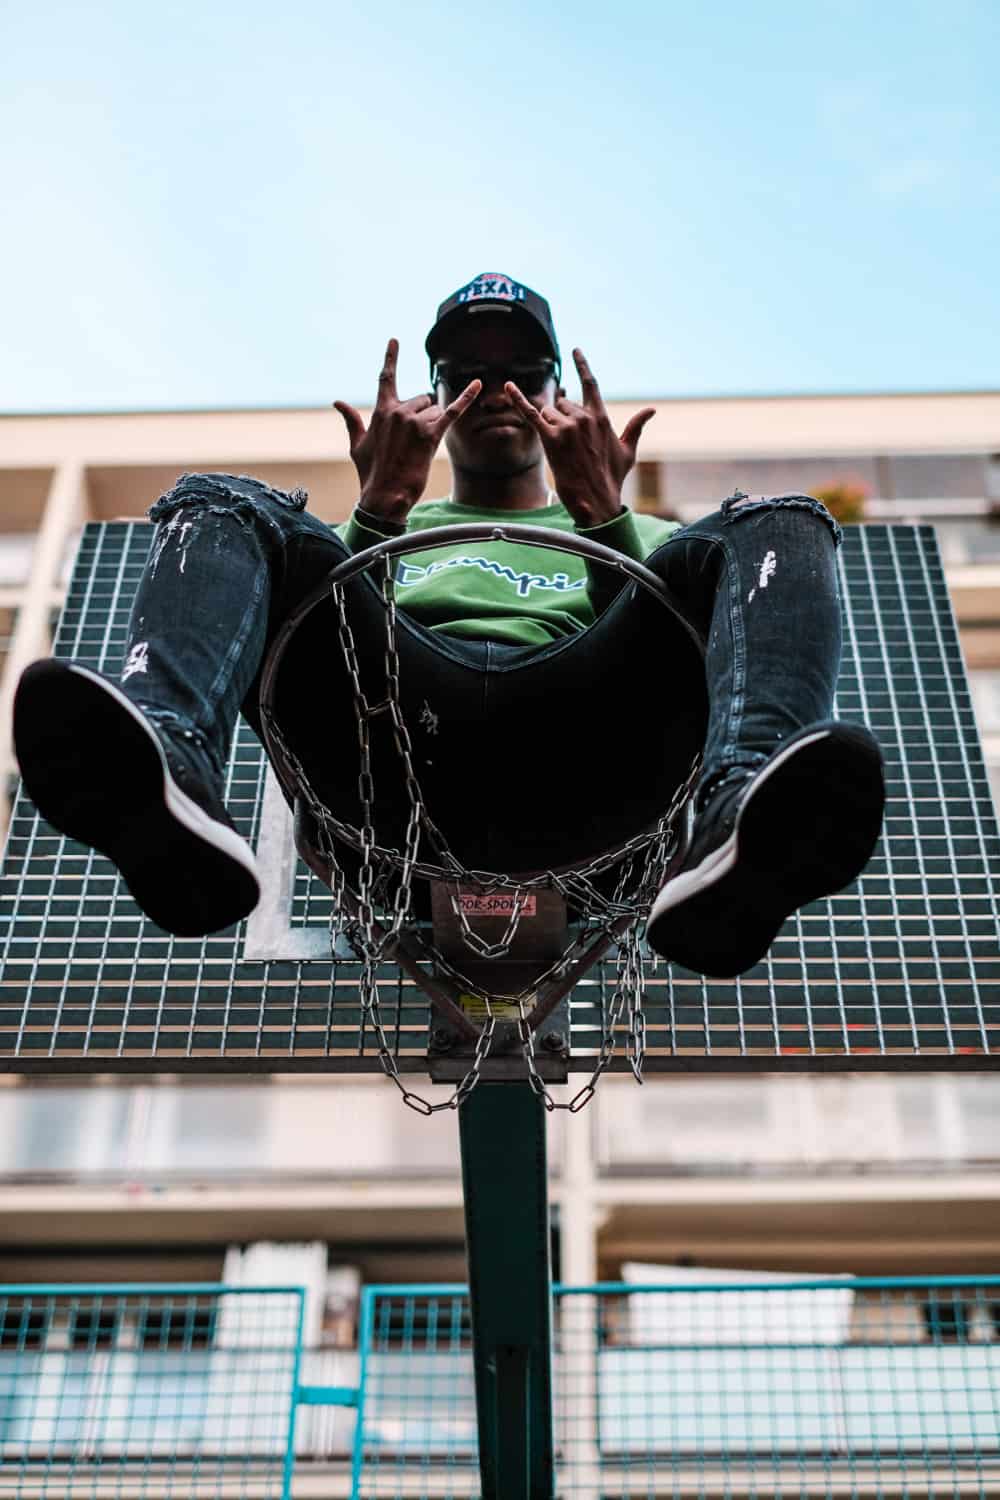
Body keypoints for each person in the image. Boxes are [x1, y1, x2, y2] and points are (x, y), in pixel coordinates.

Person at [12, 272, 885, 977]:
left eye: (523, 372)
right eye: (467, 370)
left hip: (591, 762)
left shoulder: (652, 540)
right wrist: (381, 509)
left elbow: (670, 664)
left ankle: (737, 817)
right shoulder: (371, 533)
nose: (496, 390)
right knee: (222, 500)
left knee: (779, 520)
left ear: (557, 391)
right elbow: (317, 644)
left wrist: (602, 517)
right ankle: (168, 764)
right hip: (393, 768)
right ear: (433, 395)